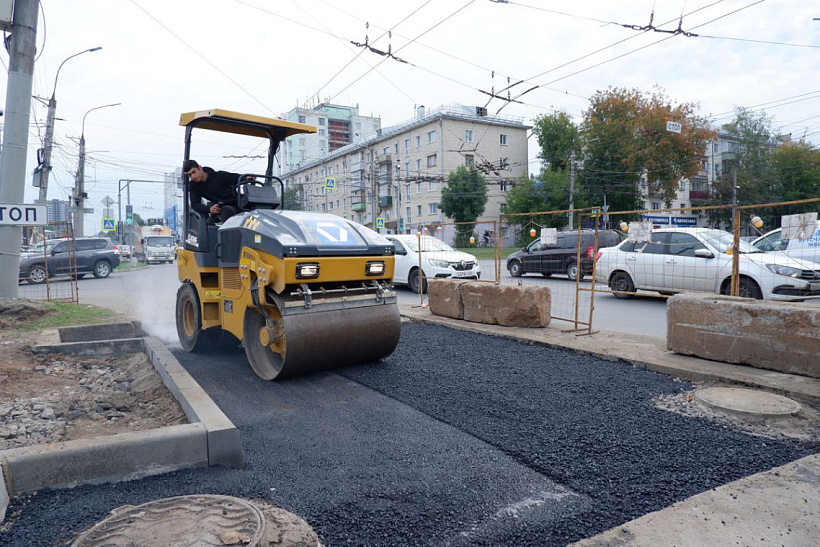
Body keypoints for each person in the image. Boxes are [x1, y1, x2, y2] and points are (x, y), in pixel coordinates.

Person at [183, 159, 245, 223]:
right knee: (210, 221)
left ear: (200, 168)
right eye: (189, 175)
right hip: (220, 208)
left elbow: (238, 178)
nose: (193, 176)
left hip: (238, 204)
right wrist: (209, 209)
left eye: (194, 172)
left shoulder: (220, 176)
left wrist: (246, 178)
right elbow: (195, 204)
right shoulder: (193, 185)